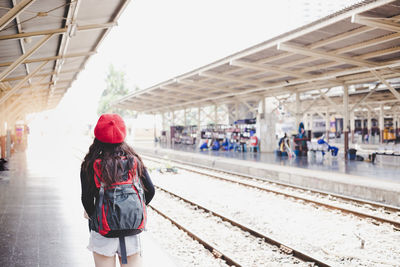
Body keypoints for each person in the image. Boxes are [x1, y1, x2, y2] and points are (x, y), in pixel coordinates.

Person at [81, 114, 155, 267]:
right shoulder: (133, 160)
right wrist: (129, 208)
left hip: (103, 232)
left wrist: (95, 214)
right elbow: (151, 190)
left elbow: (87, 200)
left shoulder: (90, 164)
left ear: (98, 135)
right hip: (131, 230)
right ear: (123, 134)